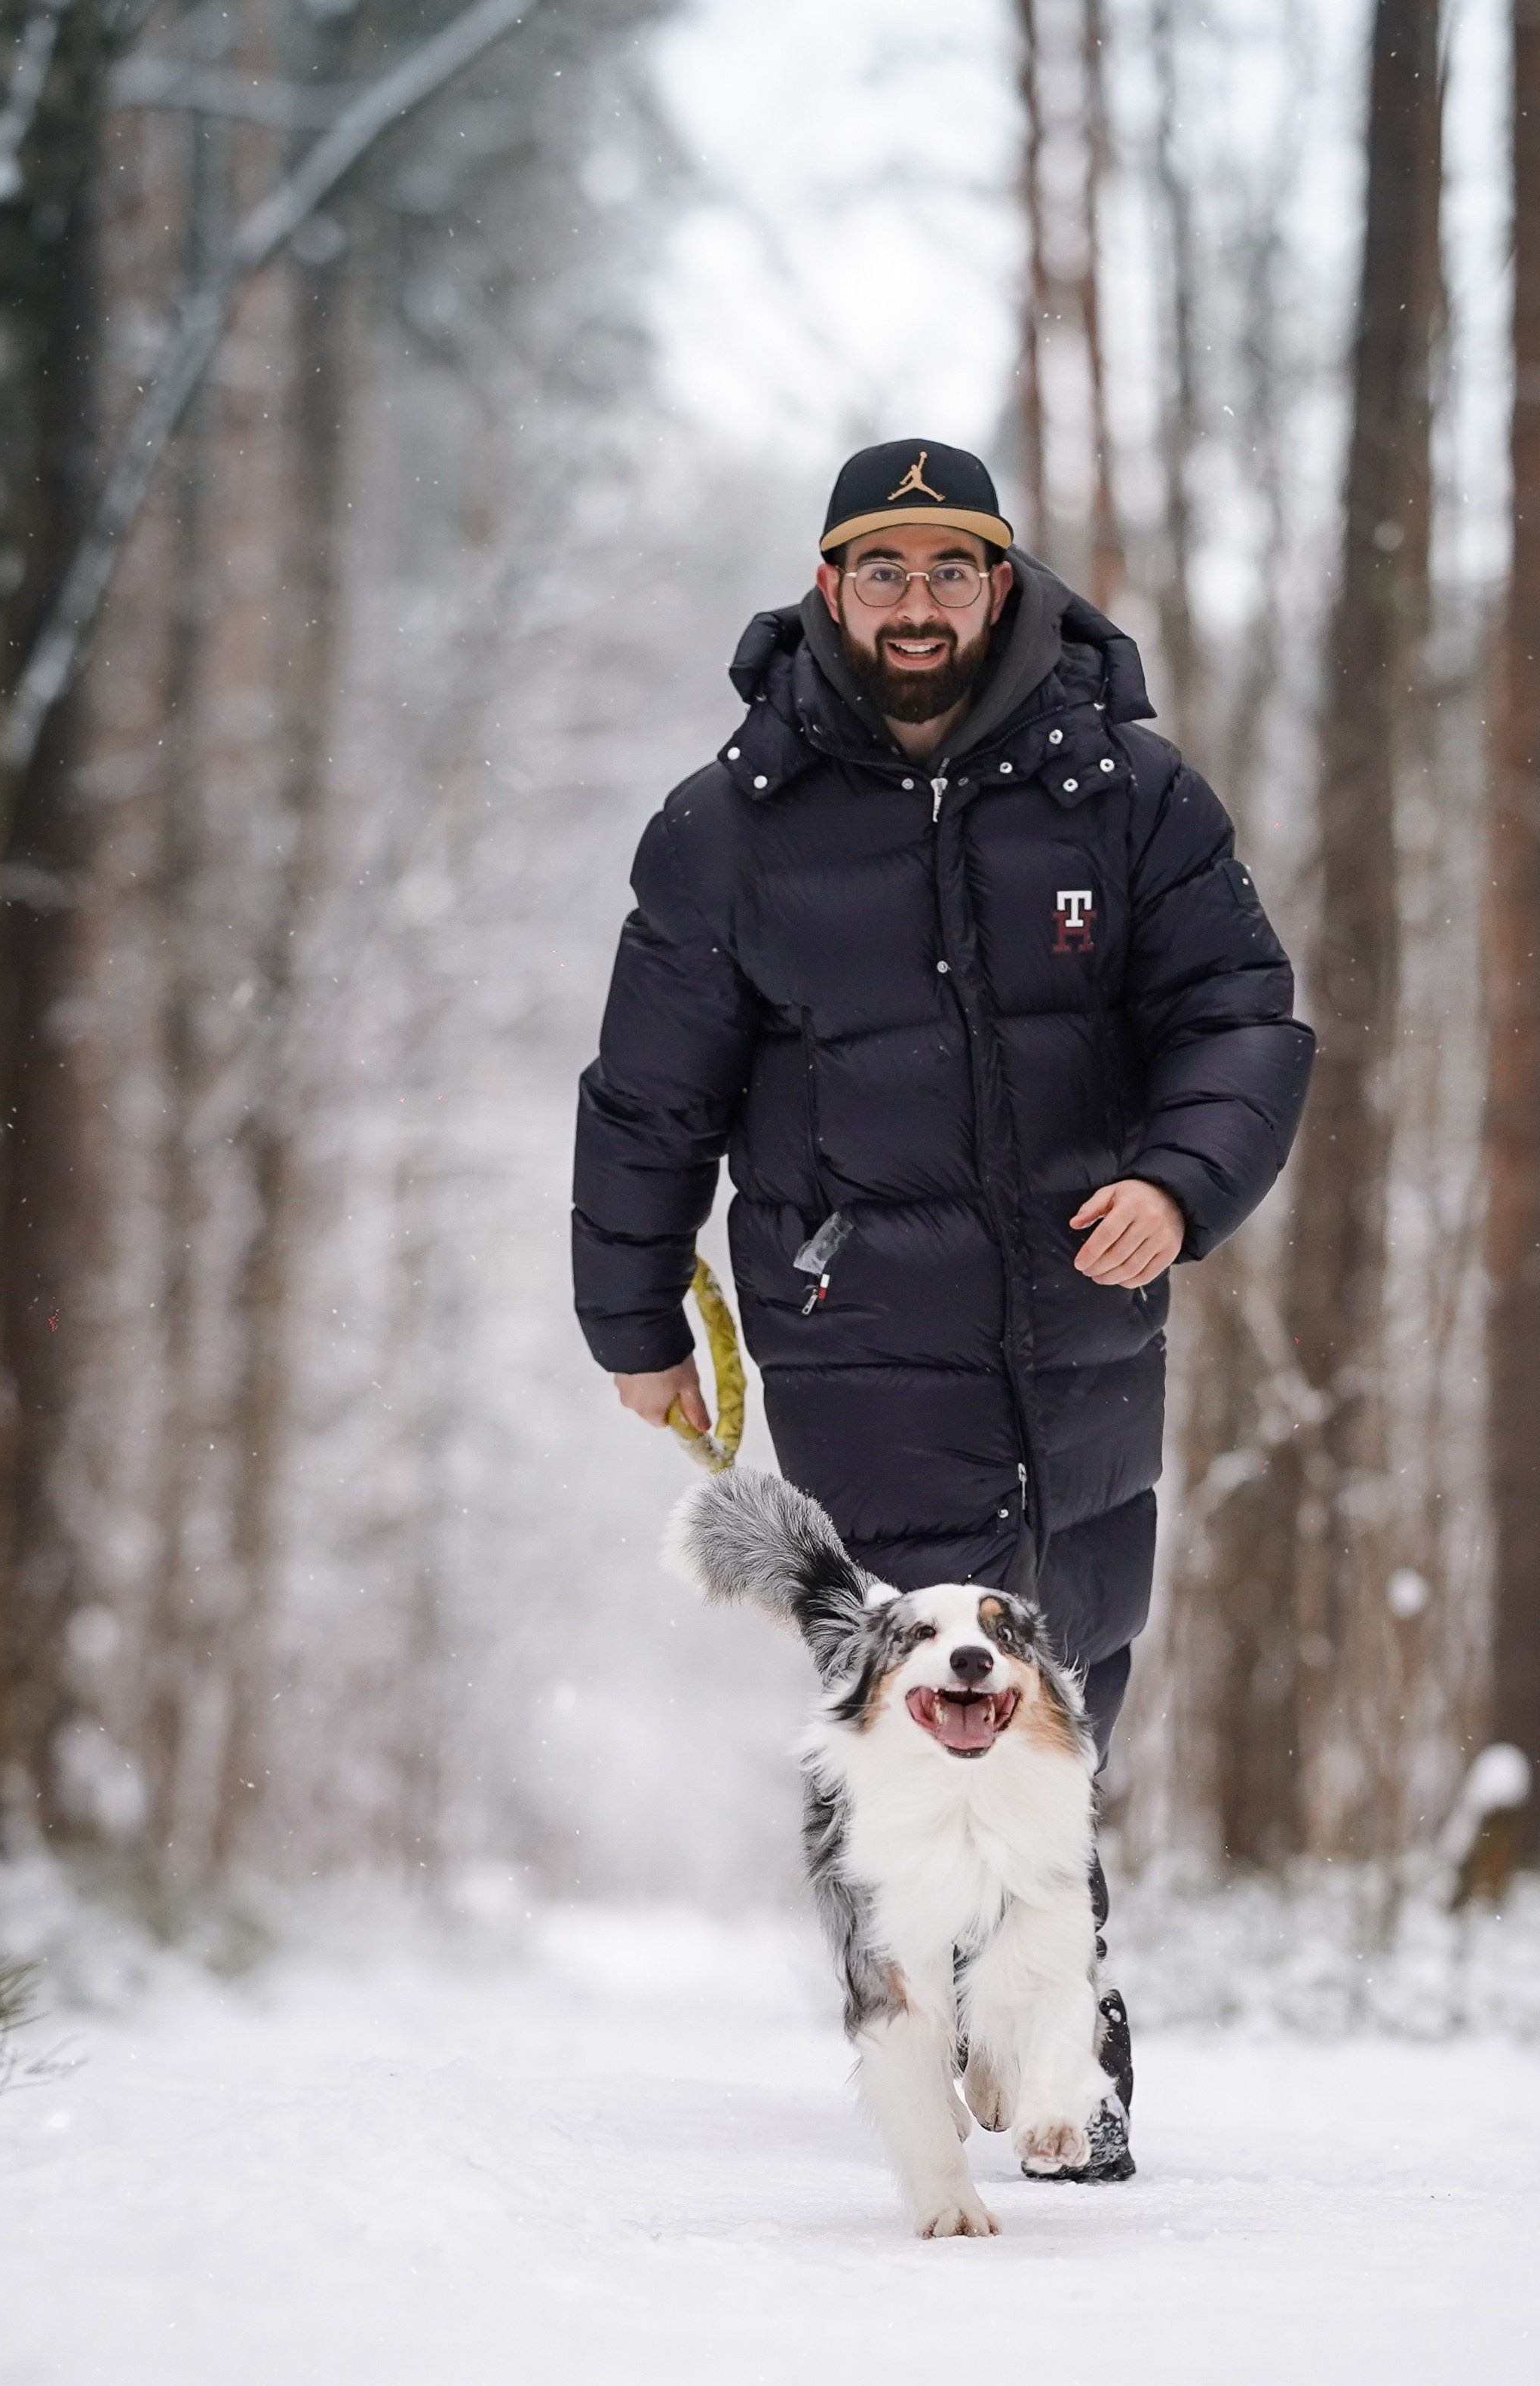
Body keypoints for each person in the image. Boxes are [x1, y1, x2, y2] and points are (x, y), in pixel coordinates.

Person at [573, 439, 1315, 2180]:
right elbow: (647, 1098)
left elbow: (1238, 1016)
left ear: (1002, 585)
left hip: (1083, 1314)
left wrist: (1180, 1184)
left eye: (951, 570)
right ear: (831, 591)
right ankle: (933, 1999)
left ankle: (1050, 2028)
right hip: (849, 1319)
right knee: (904, 1681)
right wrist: (632, 1324)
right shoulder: (726, 825)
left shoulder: (1124, 792)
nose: (919, 604)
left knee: (1065, 1665)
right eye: (883, 572)